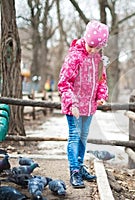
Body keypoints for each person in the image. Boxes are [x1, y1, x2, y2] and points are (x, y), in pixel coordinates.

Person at [57, 20, 109, 188]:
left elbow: (102, 81)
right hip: (74, 106)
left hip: (89, 106)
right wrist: (72, 103)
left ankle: (80, 165)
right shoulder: (75, 57)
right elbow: (64, 82)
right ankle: (74, 170)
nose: (93, 50)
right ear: (86, 39)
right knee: (74, 135)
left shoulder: (99, 59)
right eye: (91, 46)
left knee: (83, 137)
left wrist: (101, 95)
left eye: (97, 48)